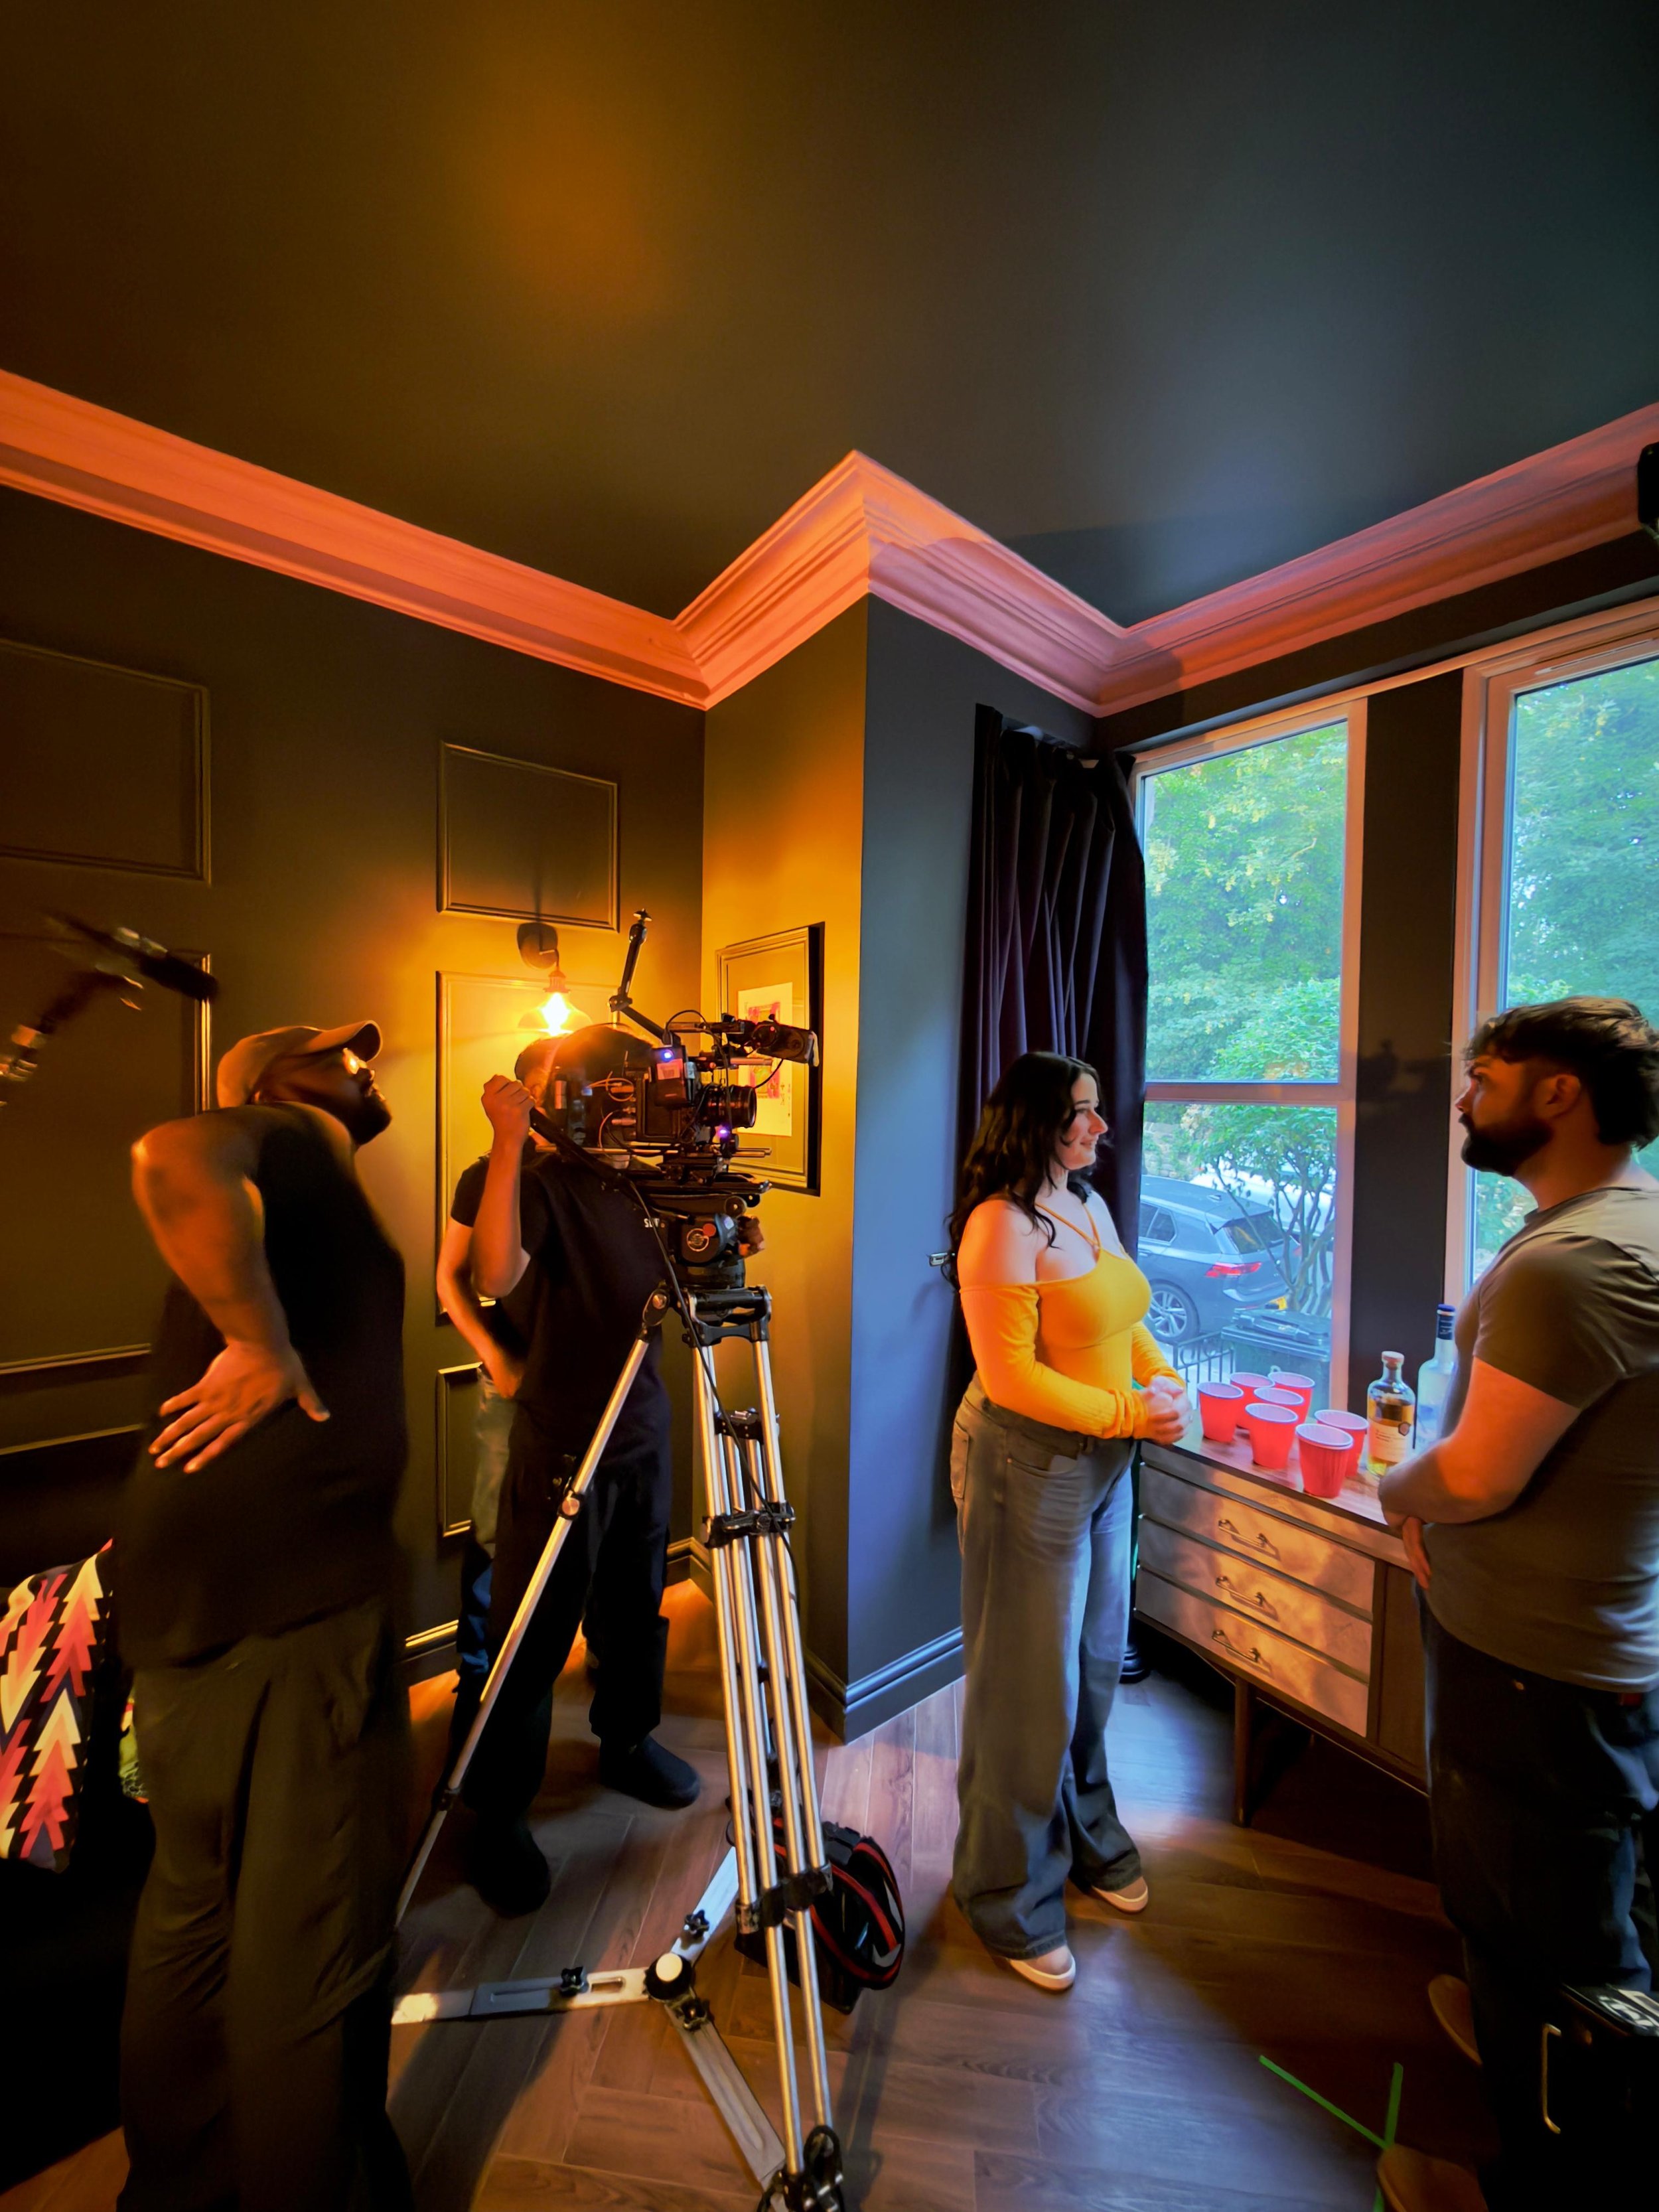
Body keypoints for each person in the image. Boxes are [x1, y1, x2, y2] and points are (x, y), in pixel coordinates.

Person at [115, 1022, 411, 2212]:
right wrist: (256, 1337)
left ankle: (178, 2187)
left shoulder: (306, 1184)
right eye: (330, 1045)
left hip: (195, 1603)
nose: (358, 1056)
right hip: (296, 1608)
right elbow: (169, 1157)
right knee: (313, 1947)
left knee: (193, 1905)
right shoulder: (280, 1136)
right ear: (261, 1079)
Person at [1374, 997, 1659, 2212]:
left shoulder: (1572, 1261)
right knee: (1525, 1902)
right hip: (1559, 1646)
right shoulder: (1612, 1223)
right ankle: (1501, 2000)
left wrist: (1399, 1488)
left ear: (1559, 1092)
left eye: (1484, 1073)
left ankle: (1529, 2183)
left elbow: (1481, 1468)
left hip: (1538, 1668)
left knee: (1565, 1947)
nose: (1462, 1092)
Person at [946, 1051, 1188, 1991]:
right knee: (1025, 1686)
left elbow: (1124, 1322)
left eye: (1097, 1112)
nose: (1099, 1128)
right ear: (1033, 1123)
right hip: (1027, 1465)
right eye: (1079, 1114)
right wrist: (1133, 1413)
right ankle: (1005, 1894)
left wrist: (1161, 1379)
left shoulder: (1085, 1205)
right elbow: (1013, 1377)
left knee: (1092, 1667)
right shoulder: (999, 1226)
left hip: (1104, 1465)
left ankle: (1087, 1835)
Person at [457, 1060, 700, 1918]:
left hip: (643, 1428)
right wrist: (508, 1139)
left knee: (635, 1606)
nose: (621, 1101)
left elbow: (685, 1284)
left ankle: (627, 1741)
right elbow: (491, 1275)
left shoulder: (640, 1186)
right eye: (603, 1086)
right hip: (563, 1441)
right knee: (530, 1633)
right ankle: (500, 1814)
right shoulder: (535, 1182)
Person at [434, 1040, 552, 1772]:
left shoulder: (600, 1179)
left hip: (592, 1386)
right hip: (514, 1388)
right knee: (494, 1538)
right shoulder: (484, 1176)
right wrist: (497, 1355)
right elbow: (452, 1281)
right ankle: (476, 1695)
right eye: (547, 1087)